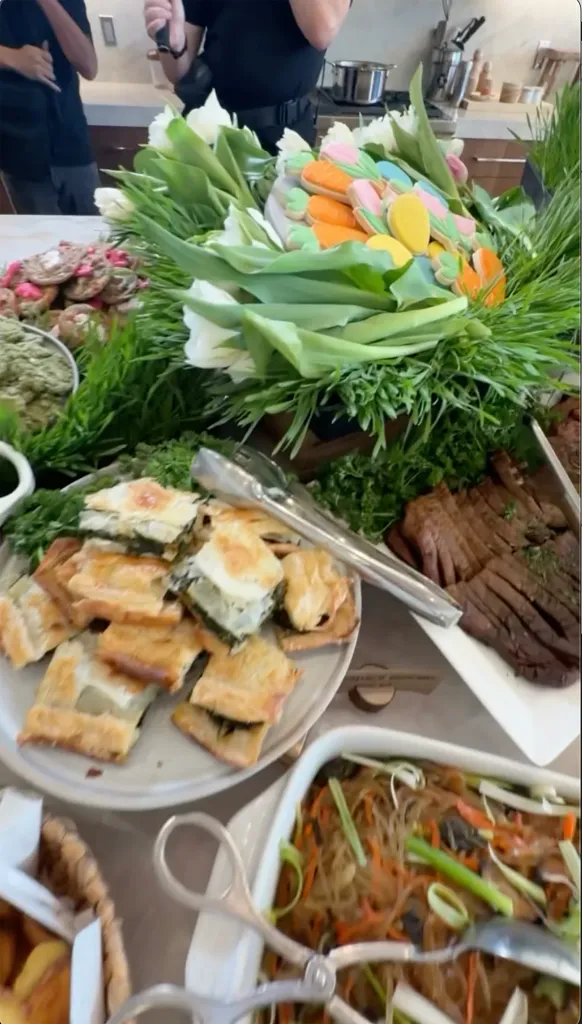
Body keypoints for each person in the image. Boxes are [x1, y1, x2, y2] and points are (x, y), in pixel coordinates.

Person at [143, 0, 351, 152]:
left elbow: (321, 31)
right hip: (210, 128)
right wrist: (175, 46)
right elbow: (177, 72)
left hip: (284, 137)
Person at [0, 0, 99, 214]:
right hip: (18, 151)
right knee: (39, 234)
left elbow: (89, 66)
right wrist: (11, 57)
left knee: (94, 230)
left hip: (71, 142)